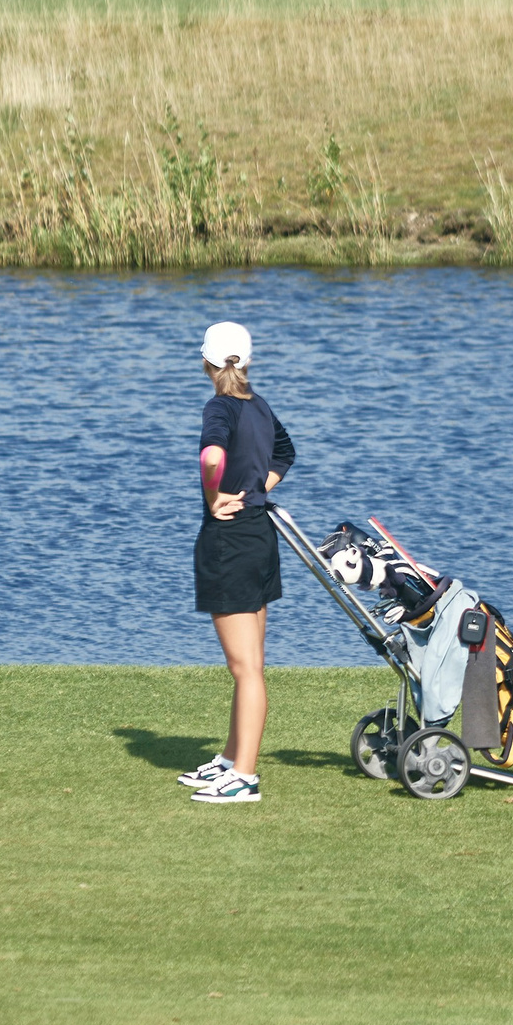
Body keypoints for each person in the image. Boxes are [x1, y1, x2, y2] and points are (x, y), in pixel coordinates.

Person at [177, 320, 296, 805]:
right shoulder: (258, 405)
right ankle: (230, 759)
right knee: (250, 665)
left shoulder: (218, 406)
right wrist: (255, 491)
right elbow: (286, 453)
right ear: (247, 362)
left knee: (246, 669)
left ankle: (244, 777)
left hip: (231, 541)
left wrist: (216, 498)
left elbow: (210, 457)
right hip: (260, 538)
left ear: (206, 362)